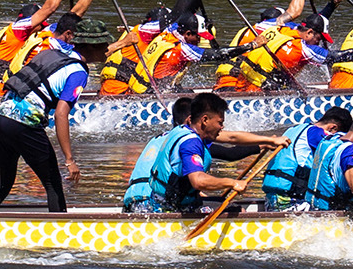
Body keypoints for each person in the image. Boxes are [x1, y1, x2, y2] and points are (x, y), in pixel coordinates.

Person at [0, 13, 89, 214]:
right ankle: (60, 234)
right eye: (105, 46)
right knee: (53, 182)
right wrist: (70, 159)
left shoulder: (48, 53)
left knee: (2, 184)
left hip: (1, 116)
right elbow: (61, 115)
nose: (109, 49)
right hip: (24, 123)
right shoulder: (78, 71)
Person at [121, 91, 285, 214]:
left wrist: (268, 141)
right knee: (237, 212)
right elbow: (198, 181)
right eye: (220, 122)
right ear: (204, 120)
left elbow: (232, 138)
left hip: (147, 199)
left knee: (218, 201)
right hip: (158, 207)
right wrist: (232, 182)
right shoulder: (190, 143)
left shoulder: (180, 131)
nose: (222, 127)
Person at [0, 0, 109, 95]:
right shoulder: (16, 31)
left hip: (8, 87)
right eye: (40, 23)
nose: (42, 27)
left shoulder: (39, 37)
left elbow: (73, 17)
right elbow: (49, 8)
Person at [98, 0, 217, 94]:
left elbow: (185, 15)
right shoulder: (143, 32)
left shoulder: (157, 40)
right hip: (117, 92)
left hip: (127, 89)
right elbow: (177, 15)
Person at [214, 0, 340, 92]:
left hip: (225, 80)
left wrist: (333, 4)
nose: (289, 24)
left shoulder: (255, 29)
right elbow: (296, 13)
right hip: (237, 82)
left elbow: (309, 27)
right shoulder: (274, 28)